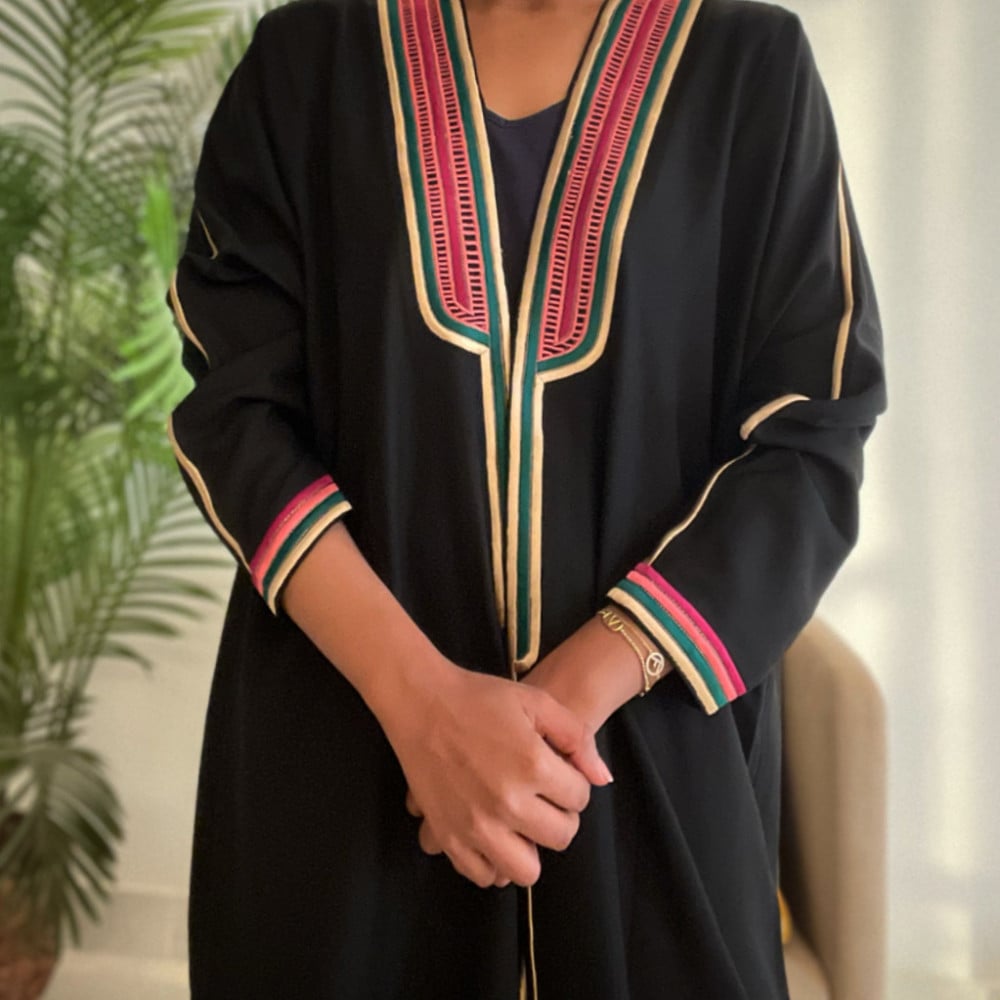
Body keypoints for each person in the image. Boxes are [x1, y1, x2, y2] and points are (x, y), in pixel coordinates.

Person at [166, 0, 885, 995]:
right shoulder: (306, 60)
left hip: (644, 774)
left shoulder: (747, 63)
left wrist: (553, 716)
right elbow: (235, 409)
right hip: (345, 767)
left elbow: (811, 430)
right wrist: (424, 708)